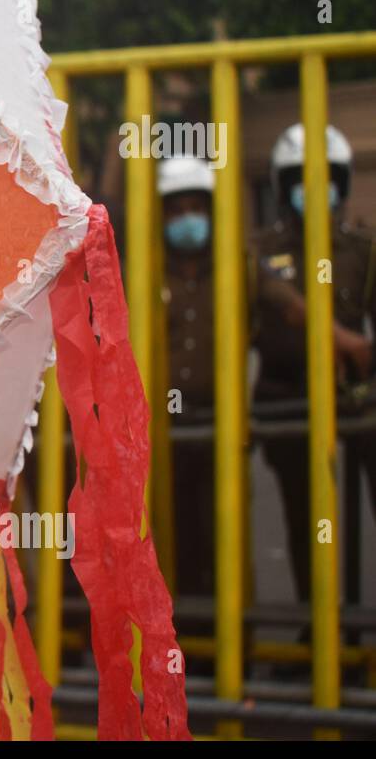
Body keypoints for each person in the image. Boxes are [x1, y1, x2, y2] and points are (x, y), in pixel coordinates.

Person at [252, 122, 376, 605]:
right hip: (287, 397)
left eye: (324, 176)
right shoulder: (262, 253)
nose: (313, 187)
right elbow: (263, 295)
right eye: (301, 177)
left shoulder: (363, 252)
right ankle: (316, 626)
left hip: (354, 399)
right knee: (306, 524)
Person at [159, 156, 219, 599]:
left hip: (218, 424)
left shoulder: (236, 271)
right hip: (162, 428)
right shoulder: (145, 273)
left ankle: (219, 636)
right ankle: (177, 636)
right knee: (167, 529)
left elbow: (291, 306)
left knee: (217, 530)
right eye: (176, 212)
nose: (187, 221)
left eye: (195, 209)